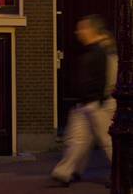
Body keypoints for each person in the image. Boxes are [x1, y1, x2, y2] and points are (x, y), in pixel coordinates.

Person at [51, 15, 112, 187]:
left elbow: (99, 80)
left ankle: (125, 171)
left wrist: (94, 99)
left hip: (93, 104)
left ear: (92, 30)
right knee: (78, 139)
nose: (78, 32)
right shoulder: (91, 51)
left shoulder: (98, 52)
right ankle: (64, 172)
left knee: (106, 140)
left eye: (82, 28)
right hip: (85, 103)